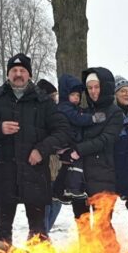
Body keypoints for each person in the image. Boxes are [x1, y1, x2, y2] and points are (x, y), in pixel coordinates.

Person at [0, 53, 70, 243]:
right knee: (3, 232)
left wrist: (42, 150)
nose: (18, 74)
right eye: (14, 70)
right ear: (8, 74)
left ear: (29, 74)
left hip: (35, 174)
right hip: (3, 174)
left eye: (22, 70)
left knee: (38, 231)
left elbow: (63, 131)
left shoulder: (43, 102)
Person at [71, 67, 124, 253]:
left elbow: (106, 139)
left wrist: (79, 149)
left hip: (104, 176)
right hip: (82, 177)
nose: (93, 91)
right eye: (90, 88)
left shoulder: (114, 112)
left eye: (97, 87)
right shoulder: (84, 112)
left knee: (102, 225)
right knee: (83, 225)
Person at [55, 73, 93, 202]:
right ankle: (73, 189)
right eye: (73, 95)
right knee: (75, 164)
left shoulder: (73, 108)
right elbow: (77, 119)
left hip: (70, 142)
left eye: (78, 95)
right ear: (66, 95)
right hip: (67, 144)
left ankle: (61, 190)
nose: (76, 98)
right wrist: (92, 118)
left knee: (68, 167)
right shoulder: (65, 108)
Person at [37, 79, 65, 233]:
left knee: (56, 204)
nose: (55, 99)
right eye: (52, 96)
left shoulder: (58, 113)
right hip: (43, 169)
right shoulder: (38, 115)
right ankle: (42, 238)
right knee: (45, 209)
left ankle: (45, 234)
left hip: (58, 168)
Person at [113, 75, 128, 201]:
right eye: (123, 91)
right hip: (112, 173)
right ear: (115, 94)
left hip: (126, 172)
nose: (127, 94)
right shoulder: (112, 116)